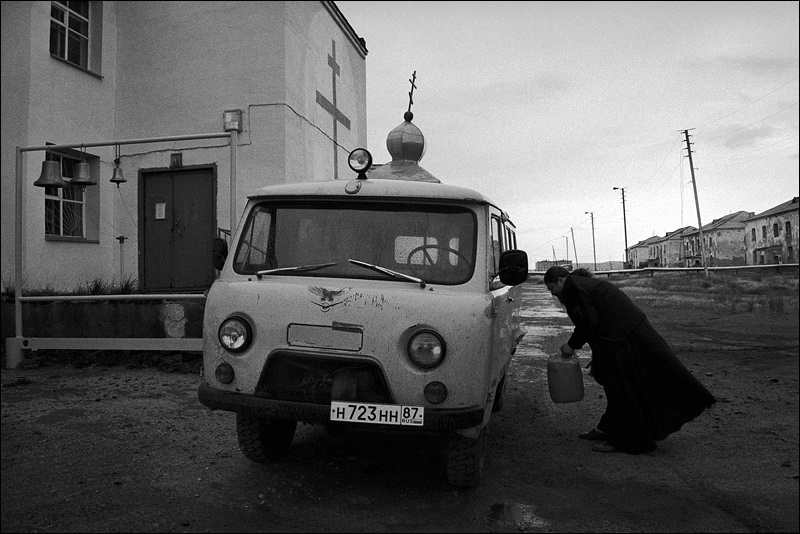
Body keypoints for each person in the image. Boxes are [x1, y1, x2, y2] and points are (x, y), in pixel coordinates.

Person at [544, 266, 716, 454]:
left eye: (552, 288)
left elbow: (589, 322)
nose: (552, 293)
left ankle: (628, 440)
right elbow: (600, 321)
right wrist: (599, 355)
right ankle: (606, 428)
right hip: (625, 334)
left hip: (626, 338)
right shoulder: (580, 284)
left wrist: (571, 345)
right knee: (616, 384)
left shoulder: (573, 287)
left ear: (561, 280)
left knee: (622, 389)